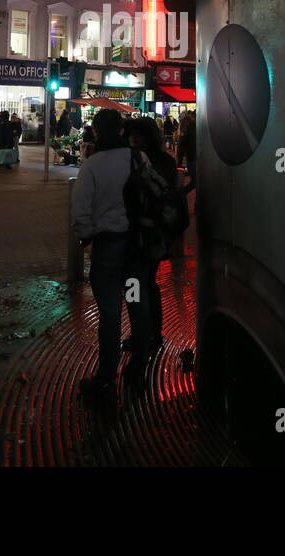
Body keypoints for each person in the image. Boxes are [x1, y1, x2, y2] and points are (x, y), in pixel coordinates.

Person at [70, 108, 149, 400]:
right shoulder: (139, 158)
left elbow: (80, 210)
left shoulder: (92, 166)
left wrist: (86, 239)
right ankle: (138, 368)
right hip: (136, 247)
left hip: (107, 248)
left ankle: (106, 377)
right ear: (120, 131)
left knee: (110, 314)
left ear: (97, 132)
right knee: (138, 306)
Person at [123, 117, 184, 354]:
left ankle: (143, 334)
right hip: (154, 234)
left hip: (144, 234)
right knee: (147, 283)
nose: (134, 139)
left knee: (138, 283)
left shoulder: (142, 162)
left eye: (138, 134)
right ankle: (150, 333)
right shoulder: (163, 161)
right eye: (131, 134)